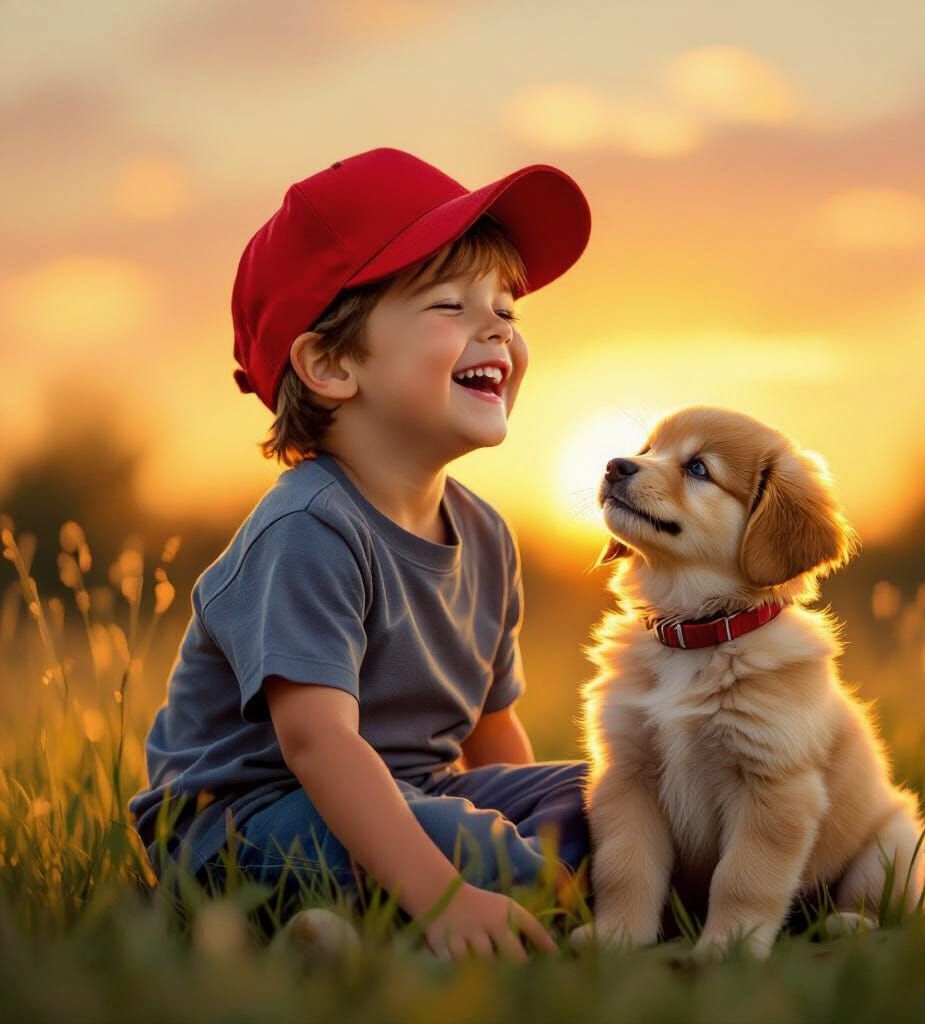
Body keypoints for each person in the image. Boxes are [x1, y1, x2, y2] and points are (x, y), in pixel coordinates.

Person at [128, 147, 593, 961]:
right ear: (332, 364)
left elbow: (493, 735)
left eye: (507, 309)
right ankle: (548, 924)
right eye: (452, 304)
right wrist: (451, 888)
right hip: (250, 824)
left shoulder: (485, 536)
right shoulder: (309, 529)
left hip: (415, 803)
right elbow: (320, 746)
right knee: (466, 844)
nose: (496, 328)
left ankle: (355, 941)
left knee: (622, 800)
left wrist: (552, 822)